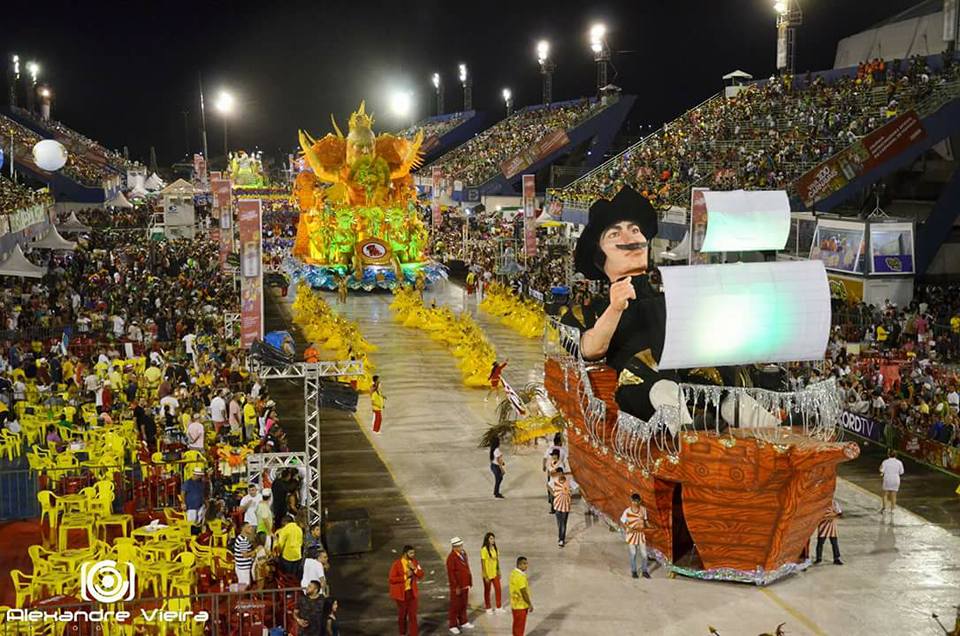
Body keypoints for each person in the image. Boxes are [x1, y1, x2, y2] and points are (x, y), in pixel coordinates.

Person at [389, 544, 425, 636]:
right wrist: (405, 576)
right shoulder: (397, 564)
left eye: (414, 553)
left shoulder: (414, 562)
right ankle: (402, 633)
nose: (413, 555)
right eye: (411, 553)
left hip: (412, 593)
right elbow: (392, 579)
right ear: (405, 553)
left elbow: (421, 575)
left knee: (413, 616)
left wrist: (414, 569)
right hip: (401, 594)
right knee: (403, 616)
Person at [445, 537, 474, 634]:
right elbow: (451, 574)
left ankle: (463, 621)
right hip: (457, 586)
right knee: (455, 606)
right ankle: (452, 625)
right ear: (455, 547)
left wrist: (469, 581)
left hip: (465, 583)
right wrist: (455, 586)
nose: (462, 547)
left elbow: (467, 568)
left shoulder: (463, 554)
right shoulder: (451, 558)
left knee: (463, 604)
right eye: (460, 546)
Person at [621, 493, 650, 579]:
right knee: (633, 554)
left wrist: (650, 526)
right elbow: (622, 521)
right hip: (631, 535)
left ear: (640, 501)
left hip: (641, 535)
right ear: (631, 501)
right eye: (634, 501)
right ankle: (634, 571)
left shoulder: (643, 510)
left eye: (637, 501)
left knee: (644, 554)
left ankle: (645, 571)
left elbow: (645, 521)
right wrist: (628, 528)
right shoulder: (627, 511)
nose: (635, 503)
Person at [480, 532, 504, 614]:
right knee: (487, 590)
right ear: (487, 540)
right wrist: (485, 575)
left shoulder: (495, 548)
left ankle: (498, 606)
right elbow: (482, 563)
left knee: (498, 589)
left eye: (493, 538)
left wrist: (499, 570)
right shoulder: (484, 550)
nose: (493, 540)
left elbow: (497, 561)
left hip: (495, 573)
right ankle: (488, 607)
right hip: (487, 573)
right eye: (491, 538)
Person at [814, 499, 844, 565]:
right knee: (820, 543)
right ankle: (818, 558)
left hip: (832, 526)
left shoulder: (834, 503)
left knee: (834, 543)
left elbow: (840, 514)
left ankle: (836, 558)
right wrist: (832, 515)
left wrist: (829, 516)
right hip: (823, 525)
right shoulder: (820, 503)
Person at [509, 556, 532, 636]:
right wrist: (529, 604)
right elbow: (523, 592)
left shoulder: (513, 573)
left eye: (526, 563)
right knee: (520, 628)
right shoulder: (521, 576)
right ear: (519, 565)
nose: (526, 566)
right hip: (521, 605)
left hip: (514, 604)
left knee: (516, 625)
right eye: (524, 564)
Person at [880, 449, 905, 514]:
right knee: (894, 495)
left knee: (885, 494)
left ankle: (884, 508)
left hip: (887, 478)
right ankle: (892, 510)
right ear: (896, 455)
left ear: (888, 454)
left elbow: (881, 470)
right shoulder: (899, 462)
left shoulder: (885, 462)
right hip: (896, 479)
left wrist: (880, 469)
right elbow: (901, 472)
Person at [233, 523, 256, 589]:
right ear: (243, 529)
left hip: (241, 566)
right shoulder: (243, 540)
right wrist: (255, 551)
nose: (251, 528)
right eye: (248, 527)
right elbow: (245, 555)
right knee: (244, 587)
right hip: (243, 568)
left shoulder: (240, 537)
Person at [552, 470, 572, 547]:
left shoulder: (569, 481)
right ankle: (560, 536)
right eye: (558, 474)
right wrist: (554, 495)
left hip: (566, 507)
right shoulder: (555, 481)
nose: (560, 475)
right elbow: (548, 486)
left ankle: (561, 539)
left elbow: (578, 487)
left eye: (561, 474)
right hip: (557, 506)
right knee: (559, 523)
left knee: (563, 523)